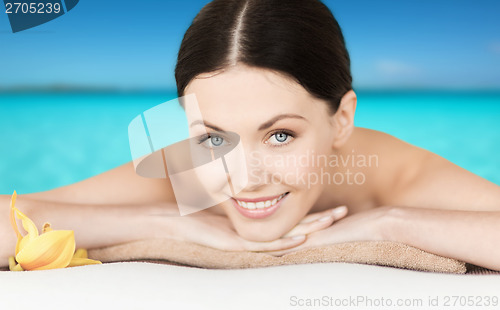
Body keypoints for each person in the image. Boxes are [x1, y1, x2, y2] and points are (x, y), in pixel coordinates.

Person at [1, 0, 499, 270]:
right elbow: (12, 218)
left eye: (280, 135)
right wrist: (168, 223)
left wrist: (390, 223)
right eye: (214, 137)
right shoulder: (188, 174)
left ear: (341, 119)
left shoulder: (394, 173)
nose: (244, 178)